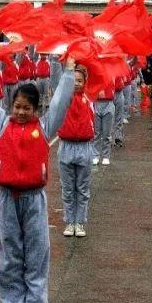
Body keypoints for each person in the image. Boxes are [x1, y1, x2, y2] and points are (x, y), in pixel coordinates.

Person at [0, 52, 76, 303]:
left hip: (34, 199)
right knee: (10, 257)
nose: (21, 112)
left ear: (36, 109)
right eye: (18, 106)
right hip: (7, 198)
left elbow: (60, 102)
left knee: (37, 255)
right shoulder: (1, 124)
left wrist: (68, 71)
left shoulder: (44, 128)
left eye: (27, 108)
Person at [57, 64, 95, 238]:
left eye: (80, 81)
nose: (76, 84)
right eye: (73, 81)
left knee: (82, 187)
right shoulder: (63, 98)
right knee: (67, 188)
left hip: (84, 147)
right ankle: (69, 221)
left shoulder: (90, 98)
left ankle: (80, 222)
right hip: (66, 146)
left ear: (85, 82)